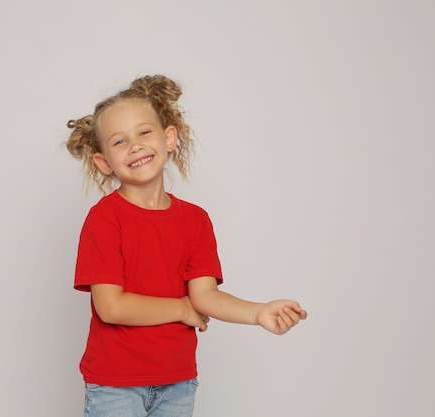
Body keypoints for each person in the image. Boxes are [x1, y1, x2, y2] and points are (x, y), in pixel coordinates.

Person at [65, 74, 307, 417]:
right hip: (116, 386)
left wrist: (258, 312)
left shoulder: (195, 221)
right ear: (104, 161)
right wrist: (181, 309)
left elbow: (205, 296)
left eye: (144, 132)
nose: (135, 145)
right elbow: (111, 308)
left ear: (169, 138)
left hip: (178, 383)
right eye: (119, 141)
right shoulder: (105, 219)